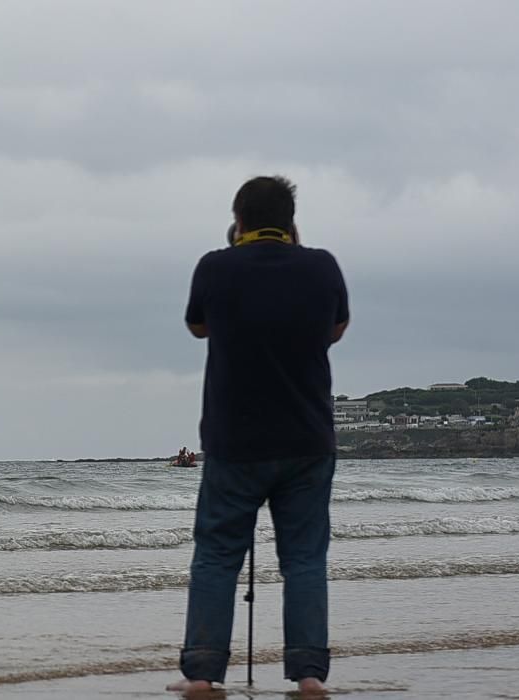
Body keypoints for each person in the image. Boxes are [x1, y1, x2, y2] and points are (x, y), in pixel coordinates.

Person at [168, 176, 349, 696]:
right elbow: (336, 328)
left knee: (218, 556)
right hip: (308, 440)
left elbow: (198, 327)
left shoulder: (215, 266)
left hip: (234, 441)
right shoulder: (322, 266)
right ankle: (310, 674)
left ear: (238, 220)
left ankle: (202, 673)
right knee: (305, 560)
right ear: (291, 222)